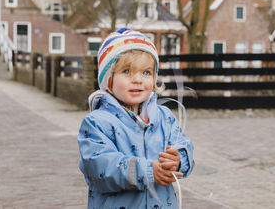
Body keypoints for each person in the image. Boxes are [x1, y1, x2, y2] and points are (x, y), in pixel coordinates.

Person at [78, 28, 194, 208]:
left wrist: (178, 161)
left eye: (146, 73)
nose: (137, 79)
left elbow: (183, 145)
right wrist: (148, 171)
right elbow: (101, 166)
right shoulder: (97, 122)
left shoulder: (164, 117)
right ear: (109, 80)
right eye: (126, 71)